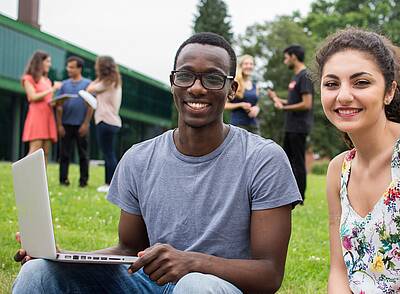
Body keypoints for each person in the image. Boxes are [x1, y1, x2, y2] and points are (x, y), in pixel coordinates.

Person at [13, 32, 302, 294]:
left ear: (231, 89)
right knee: (39, 271)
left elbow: (269, 274)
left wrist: (192, 262)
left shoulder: (264, 158)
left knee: (194, 286)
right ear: (173, 82)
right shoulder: (139, 158)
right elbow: (129, 249)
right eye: (186, 76)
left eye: (212, 79)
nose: (197, 88)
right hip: (151, 285)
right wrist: (65, 258)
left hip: (216, 288)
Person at [317, 28, 400, 293]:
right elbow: (339, 270)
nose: (343, 95)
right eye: (331, 84)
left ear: (389, 91)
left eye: (361, 82)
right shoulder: (338, 169)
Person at [267, 44, 314, 202]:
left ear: (294, 56)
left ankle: (300, 196)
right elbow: (293, 101)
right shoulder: (295, 77)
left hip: (299, 127)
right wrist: (277, 99)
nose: (284, 60)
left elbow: (306, 104)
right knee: (287, 161)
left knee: (297, 161)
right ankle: (289, 194)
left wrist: (284, 107)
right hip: (290, 126)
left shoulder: (304, 75)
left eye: (286, 57)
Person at [86, 56, 122, 193]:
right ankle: (111, 183)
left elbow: (89, 89)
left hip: (105, 120)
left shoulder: (106, 82)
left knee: (108, 154)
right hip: (113, 121)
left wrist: (98, 77)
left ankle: (109, 184)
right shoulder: (115, 80)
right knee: (110, 153)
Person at [56, 56, 92, 187]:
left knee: (83, 155)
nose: (68, 69)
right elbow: (58, 105)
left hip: (81, 124)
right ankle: (63, 180)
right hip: (66, 125)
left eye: (71, 67)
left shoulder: (88, 84)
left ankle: (83, 181)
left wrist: (86, 123)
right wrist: (59, 125)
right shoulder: (64, 85)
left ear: (79, 68)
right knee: (64, 154)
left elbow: (90, 105)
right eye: (68, 66)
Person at [21, 50, 62, 165]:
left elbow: (48, 100)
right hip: (37, 116)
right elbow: (32, 97)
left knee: (46, 152)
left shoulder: (47, 80)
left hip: (48, 116)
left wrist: (58, 101)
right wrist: (52, 89)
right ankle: (25, 179)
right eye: (48, 61)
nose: (50, 64)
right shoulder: (28, 78)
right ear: (40, 62)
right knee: (35, 150)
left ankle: (42, 182)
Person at [225, 54, 260, 134]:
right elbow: (224, 105)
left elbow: (257, 104)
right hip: (238, 125)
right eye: (246, 64)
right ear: (241, 66)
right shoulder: (234, 84)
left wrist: (257, 109)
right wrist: (240, 105)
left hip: (254, 125)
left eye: (251, 64)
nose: (249, 66)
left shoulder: (255, 85)